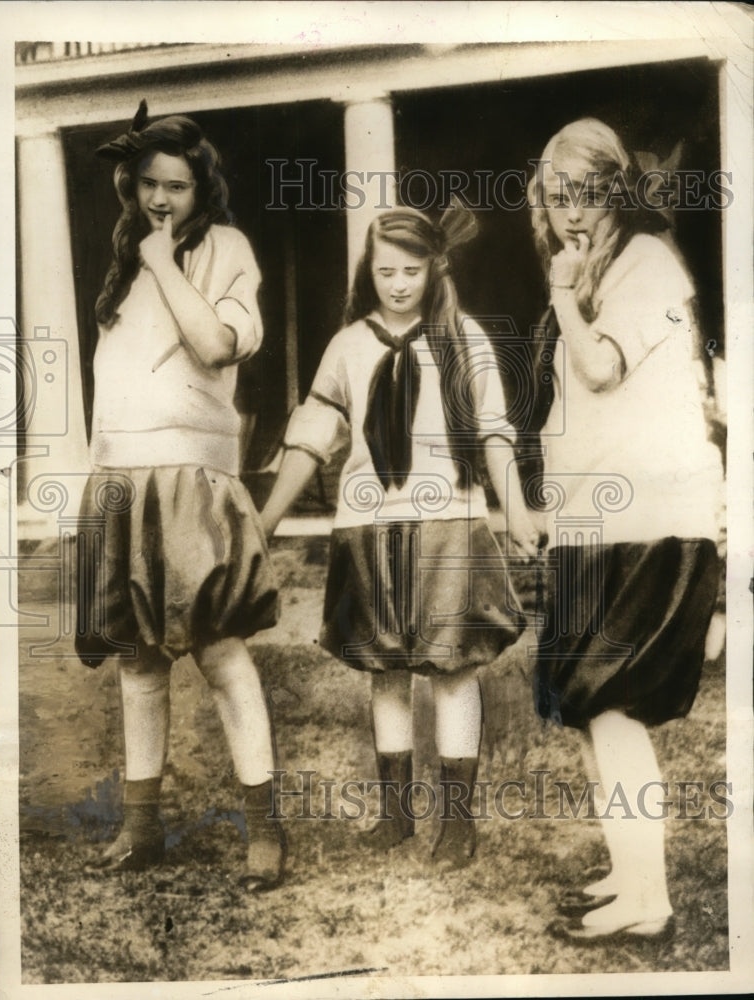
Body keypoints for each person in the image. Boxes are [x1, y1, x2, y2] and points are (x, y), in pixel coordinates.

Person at [260, 203, 538, 866]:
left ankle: (458, 823)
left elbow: (495, 431)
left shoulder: (461, 337)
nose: (399, 284)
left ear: (435, 267)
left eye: (412, 270)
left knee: (451, 670)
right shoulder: (349, 345)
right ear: (369, 270)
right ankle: (395, 814)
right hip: (370, 525)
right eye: (385, 270)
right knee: (384, 670)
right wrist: (266, 517)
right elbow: (312, 438)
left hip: (449, 524)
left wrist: (519, 507)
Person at [75, 101, 285, 891]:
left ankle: (265, 830)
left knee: (220, 651)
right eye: (150, 185)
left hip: (192, 478)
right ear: (133, 187)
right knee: (136, 657)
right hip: (122, 478)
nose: (162, 200)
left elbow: (217, 343)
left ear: (203, 192)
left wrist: (165, 261)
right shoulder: (123, 257)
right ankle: (142, 830)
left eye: (179, 187)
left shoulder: (224, 249)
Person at [527, 118, 723, 942]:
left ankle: (650, 902)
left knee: (613, 710)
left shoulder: (645, 263)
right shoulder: (597, 266)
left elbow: (600, 368)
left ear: (616, 188)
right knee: (589, 710)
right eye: (557, 194)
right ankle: (630, 875)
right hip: (600, 523)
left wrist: (562, 297)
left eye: (588, 191)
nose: (572, 211)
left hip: (651, 524)